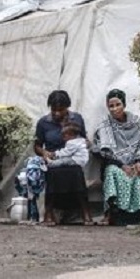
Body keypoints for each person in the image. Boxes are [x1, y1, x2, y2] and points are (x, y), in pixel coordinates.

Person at [92, 88, 140, 225]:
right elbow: (102, 151)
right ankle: (110, 215)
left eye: (118, 105)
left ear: (124, 105)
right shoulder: (105, 124)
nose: (114, 109)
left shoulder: (136, 121)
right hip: (114, 163)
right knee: (112, 172)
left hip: (134, 161)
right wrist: (122, 165)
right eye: (111, 106)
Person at [32, 90, 90, 225]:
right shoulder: (43, 123)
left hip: (72, 159)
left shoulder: (77, 119)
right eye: (54, 110)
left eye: (61, 110)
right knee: (53, 172)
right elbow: (37, 146)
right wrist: (44, 153)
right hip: (54, 158)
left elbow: (84, 138)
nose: (57, 113)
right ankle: (48, 213)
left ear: (67, 107)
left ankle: (85, 212)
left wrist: (85, 144)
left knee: (75, 171)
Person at [42, 122, 94, 225]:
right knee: (58, 170)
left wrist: (54, 154)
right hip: (79, 161)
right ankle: (49, 212)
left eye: (64, 135)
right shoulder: (80, 141)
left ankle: (50, 164)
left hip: (74, 161)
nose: (63, 137)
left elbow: (66, 152)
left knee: (62, 163)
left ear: (71, 135)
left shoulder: (72, 142)